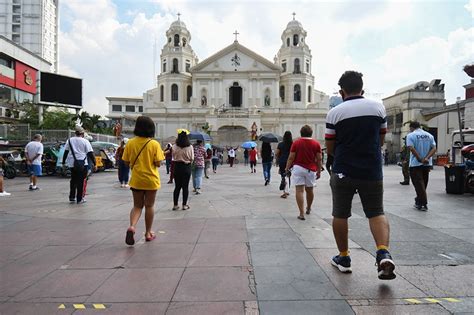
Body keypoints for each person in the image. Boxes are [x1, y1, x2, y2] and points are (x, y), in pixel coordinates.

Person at [325, 70, 395, 280]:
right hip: (371, 170)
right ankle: (383, 252)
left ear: (342, 91)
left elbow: (330, 147)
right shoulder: (378, 107)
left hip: (343, 170)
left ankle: (344, 257)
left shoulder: (335, 113)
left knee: (340, 214)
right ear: (362, 89)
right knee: (376, 212)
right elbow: (381, 139)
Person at [122, 116, 164, 245]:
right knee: (149, 206)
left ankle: (132, 227)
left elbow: (125, 161)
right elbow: (158, 163)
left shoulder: (130, 143)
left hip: (137, 180)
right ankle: (148, 232)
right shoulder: (154, 144)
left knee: (137, 206)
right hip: (151, 180)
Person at [285, 125, 322, 220]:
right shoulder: (316, 143)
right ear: (311, 133)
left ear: (301, 133)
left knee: (299, 190)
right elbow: (319, 159)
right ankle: (308, 208)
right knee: (310, 190)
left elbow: (291, 157)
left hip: (298, 168)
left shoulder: (296, 143)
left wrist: (287, 167)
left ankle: (301, 213)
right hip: (311, 169)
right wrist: (319, 171)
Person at [406, 121, 436, 211]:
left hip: (415, 164)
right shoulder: (429, 135)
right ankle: (418, 201)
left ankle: (423, 204)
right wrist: (426, 158)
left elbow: (411, 148)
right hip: (427, 164)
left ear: (411, 127)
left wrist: (420, 159)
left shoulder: (411, 135)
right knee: (423, 183)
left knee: (418, 184)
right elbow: (434, 148)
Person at [62, 127, 96, 204]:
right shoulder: (85, 141)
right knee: (81, 181)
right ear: (82, 133)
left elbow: (66, 152)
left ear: (75, 133)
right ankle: (79, 199)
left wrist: (63, 162)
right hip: (83, 164)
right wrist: (95, 163)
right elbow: (90, 153)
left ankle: (72, 197)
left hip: (72, 163)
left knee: (73, 180)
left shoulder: (69, 140)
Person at [172, 131, 194, 210]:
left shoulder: (174, 146)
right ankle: (184, 205)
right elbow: (192, 158)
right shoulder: (190, 146)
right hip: (186, 167)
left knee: (177, 187)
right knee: (185, 187)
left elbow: (173, 156)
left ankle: (175, 205)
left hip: (177, 166)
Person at [276, 131, 293, 198]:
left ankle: (285, 192)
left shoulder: (280, 144)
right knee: (288, 176)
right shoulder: (293, 144)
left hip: (282, 161)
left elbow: (277, 153)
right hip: (290, 162)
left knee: (283, 176)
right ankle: (287, 190)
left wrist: (277, 159)